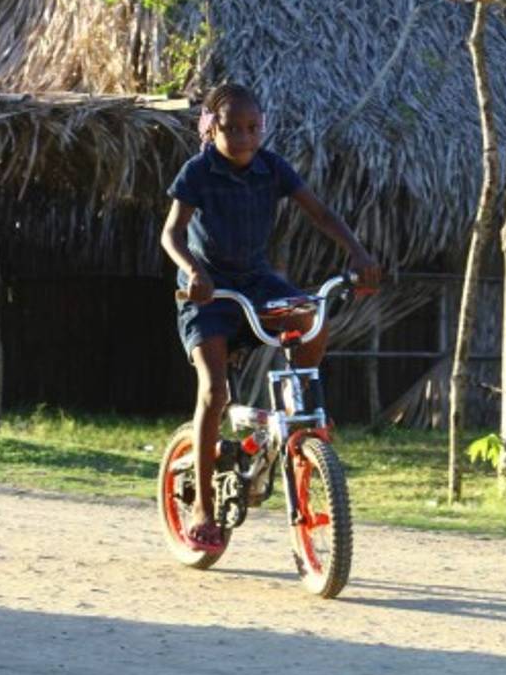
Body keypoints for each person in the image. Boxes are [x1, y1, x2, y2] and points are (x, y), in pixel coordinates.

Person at [160, 82, 381, 553]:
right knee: (214, 392)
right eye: (232, 128)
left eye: (253, 128)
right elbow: (171, 235)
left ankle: (303, 414)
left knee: (310, 316)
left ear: (264, 128)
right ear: (212, 128)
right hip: (209, 291)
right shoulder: (198, 172)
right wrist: (194, 271)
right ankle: (201, 506)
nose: (243, 137)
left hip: (257, 282)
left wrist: (359, 254)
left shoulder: (271, 168)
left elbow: (320, 214)